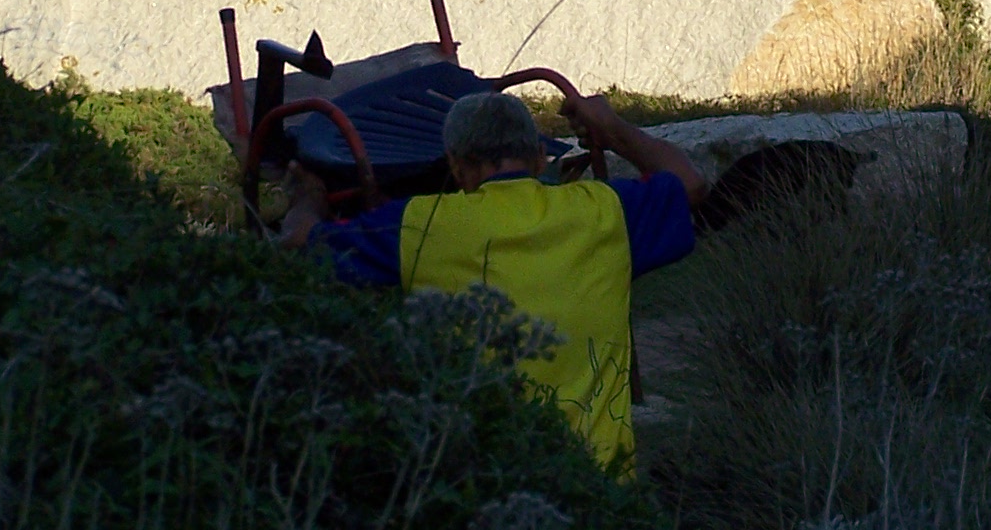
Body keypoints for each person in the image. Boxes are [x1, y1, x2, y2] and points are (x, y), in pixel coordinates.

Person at [280, 91, 707, 474]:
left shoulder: (421, 223)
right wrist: (610, 127)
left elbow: (300, 245)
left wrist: (306, 200)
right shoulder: (607, 211)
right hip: (599, 489)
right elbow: (689, 181)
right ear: (540, 158)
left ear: (456, 165)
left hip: (484, 487)